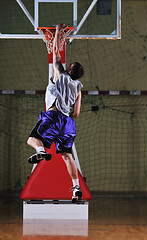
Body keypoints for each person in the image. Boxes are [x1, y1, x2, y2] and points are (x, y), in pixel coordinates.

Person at [27, 24, 84, 202]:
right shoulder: (78, 87)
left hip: (53, 116)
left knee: (32, 140)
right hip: (68, 123)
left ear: (69, 70)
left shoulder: (60, 74)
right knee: (67, 156)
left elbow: (56, 54)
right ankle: (76, 188)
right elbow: (76, 113)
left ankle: (42, 150)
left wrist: (58, 32)